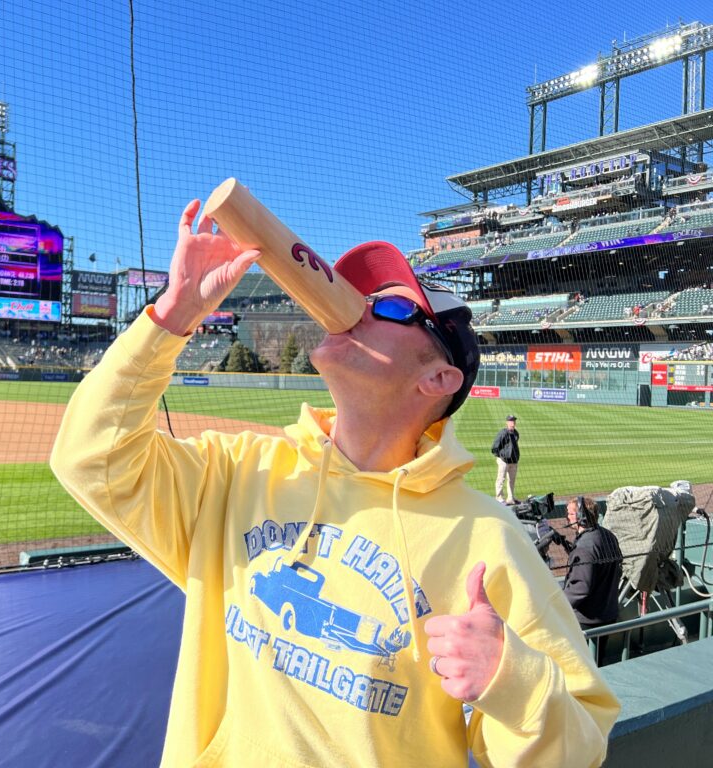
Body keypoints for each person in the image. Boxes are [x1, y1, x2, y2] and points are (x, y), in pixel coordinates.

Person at [50, 200, 619, 767]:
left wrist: (511, 680)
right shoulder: (240, 470)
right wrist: (172, 315)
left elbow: (581, 750)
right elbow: (89, 460)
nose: (360, 310)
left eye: (392, 307)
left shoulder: (485, 538)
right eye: (363, 298)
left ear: (438, 378)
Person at [562, 496, 624, 663]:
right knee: (597, 662)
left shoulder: (584, 548)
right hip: (608, 613)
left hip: (587, 620)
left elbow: (581, 588)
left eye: (570, 514)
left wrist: (557, 605)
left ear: (581, 516)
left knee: (583, 665)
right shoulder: (608, 535)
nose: (568, 517)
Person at [491, 415, 520, 504]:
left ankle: (510, 498)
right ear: (507, 423)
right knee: (501, 479)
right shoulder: (503, 433)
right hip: (504, 461)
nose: (513, 423)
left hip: (513, 461)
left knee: (512, 480)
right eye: (511, 421)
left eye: (514, 421)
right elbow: (494, 447)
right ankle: (499, 498)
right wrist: (501, 457)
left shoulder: (516, 433)